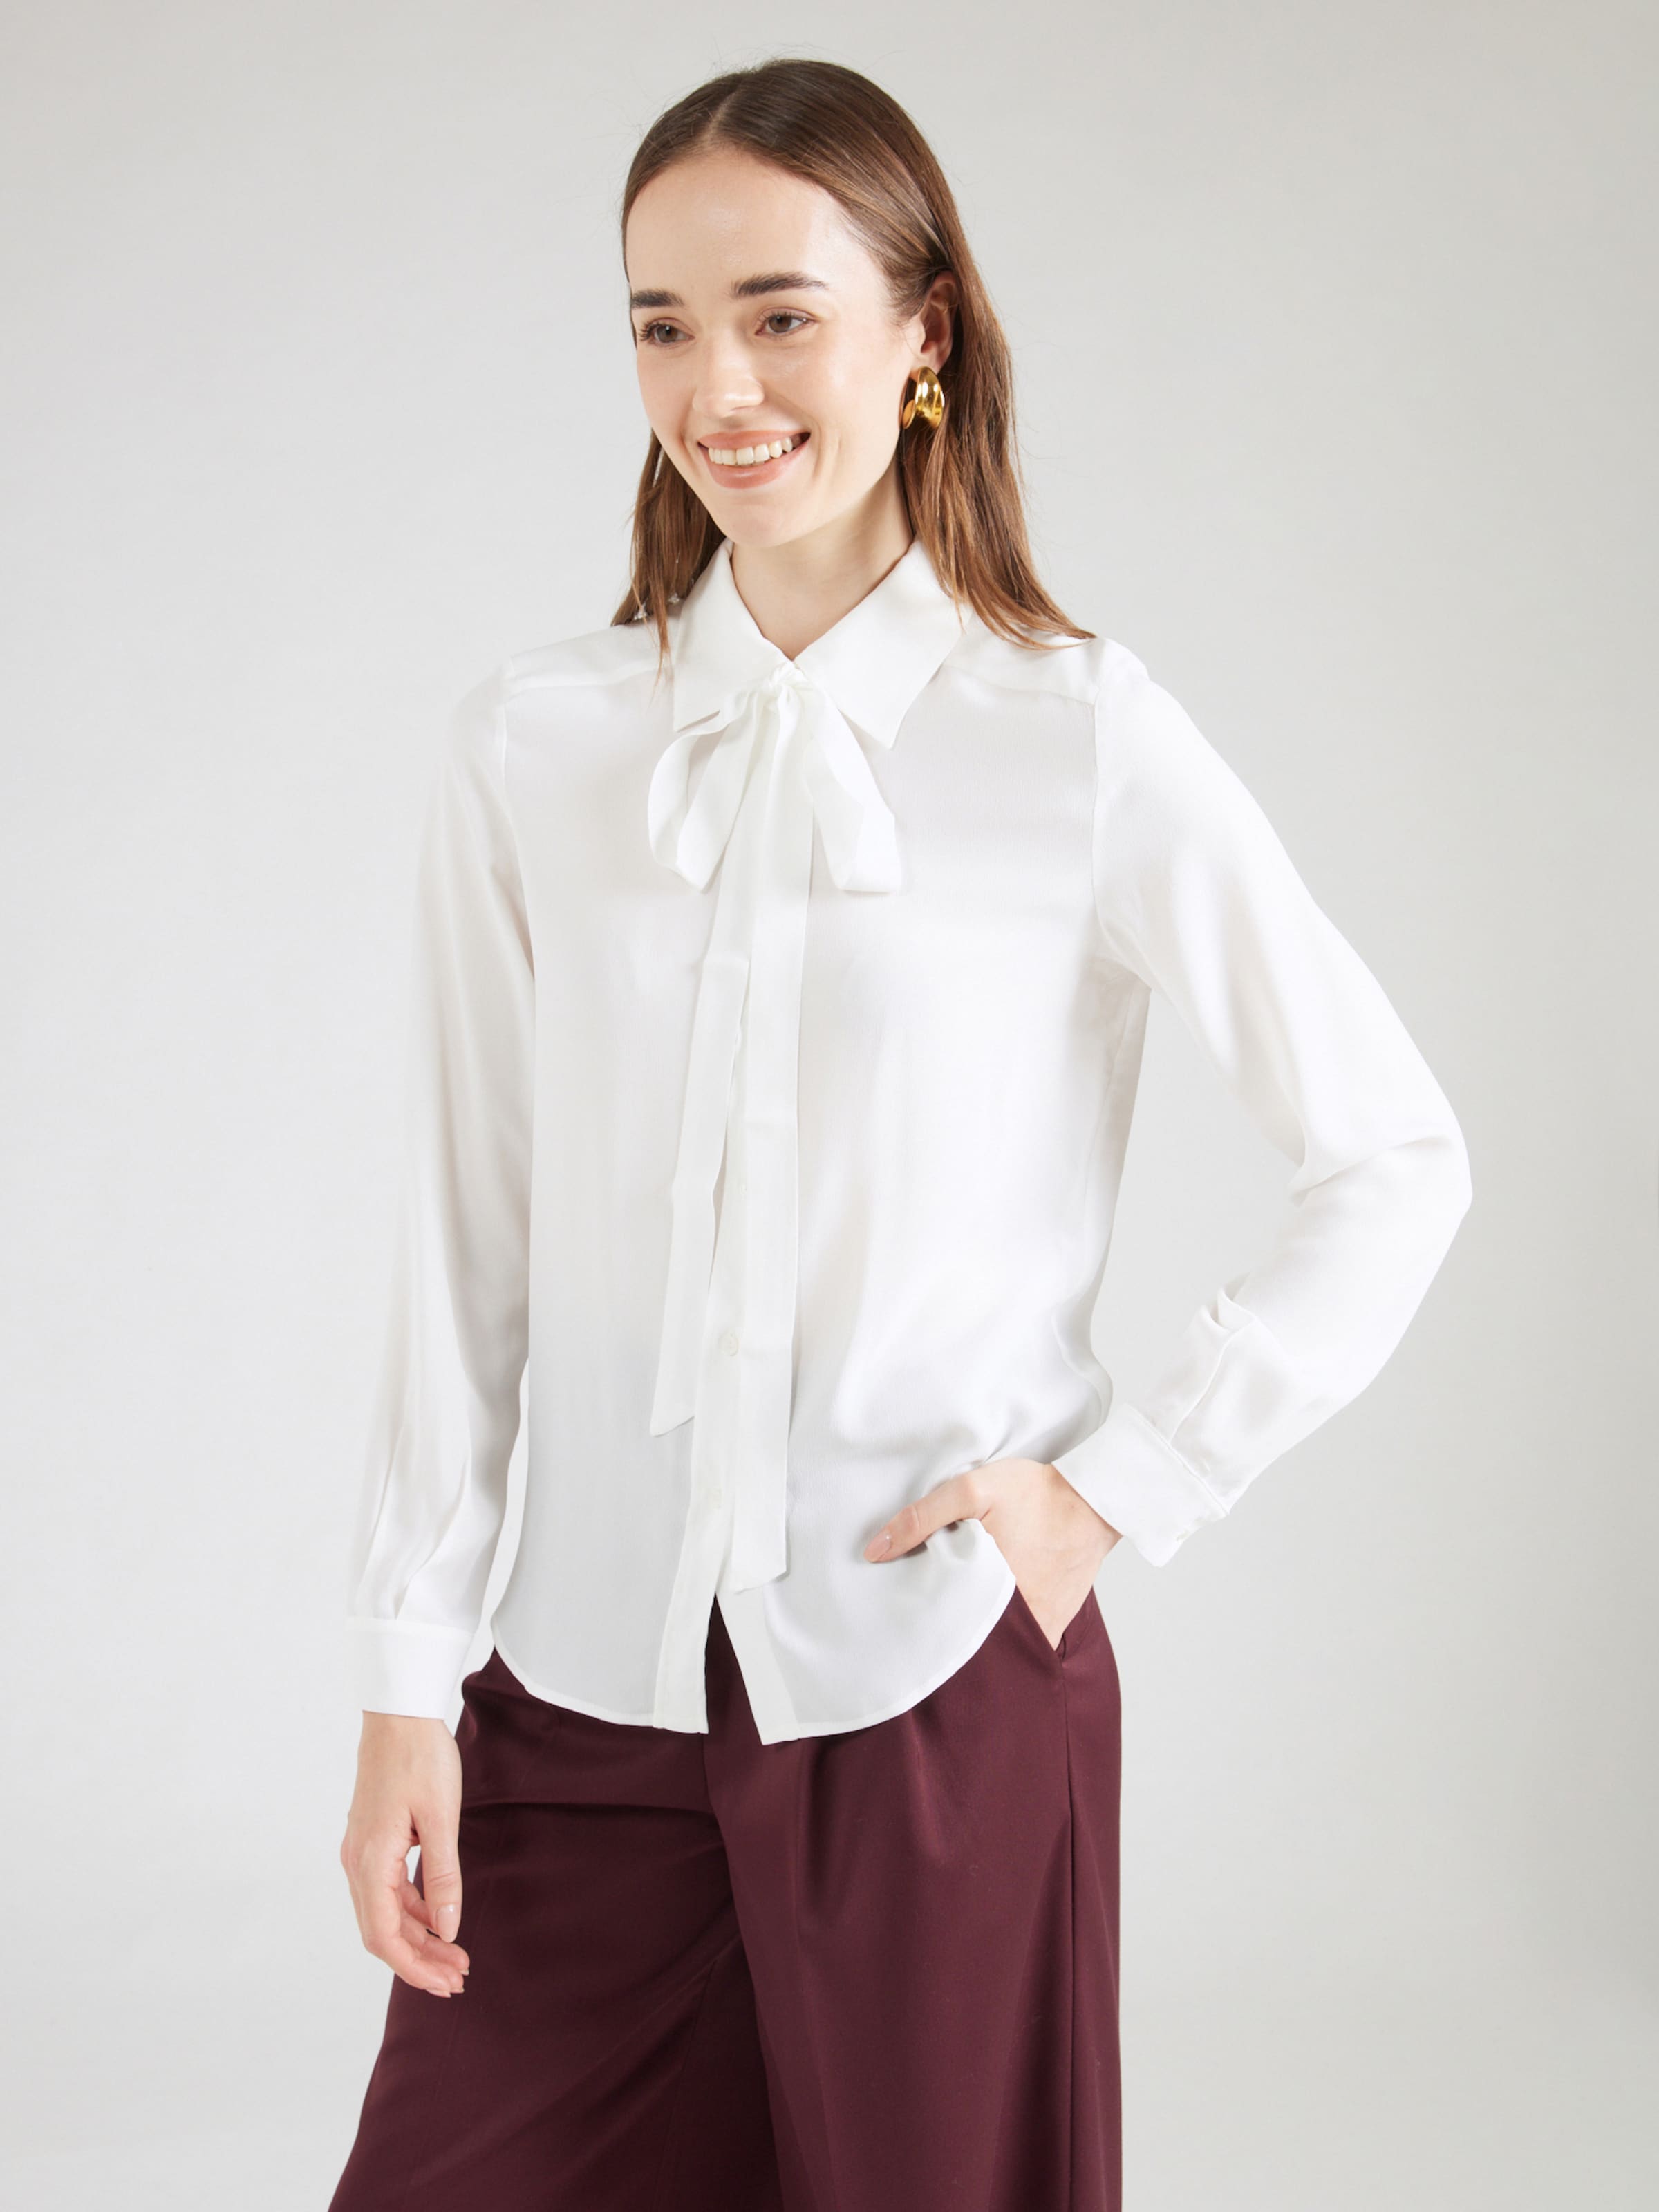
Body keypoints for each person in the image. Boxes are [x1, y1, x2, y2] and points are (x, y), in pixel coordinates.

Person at [328, 55, 1472, 2212]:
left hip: (934, 1684)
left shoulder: (1080, 739)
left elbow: (1394, 1157)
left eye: (782, 315)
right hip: (579, 1692)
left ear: (923, 331)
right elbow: (465, 1244)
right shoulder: (534, 749)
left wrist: (1120, 1490)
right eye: (664, 324)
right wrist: (408, 1672)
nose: (720, 388)